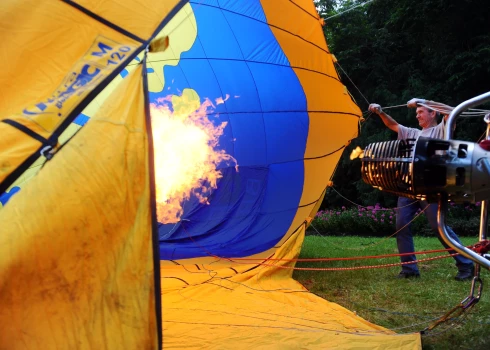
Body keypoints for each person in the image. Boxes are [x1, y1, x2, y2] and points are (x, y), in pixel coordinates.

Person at [368, 98, 474, 281]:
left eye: (421, 111)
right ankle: (409, 269)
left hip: (431, 186)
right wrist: (380, 112)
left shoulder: (442, 130)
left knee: (439, 227)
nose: (417, 114)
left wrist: (424, 101)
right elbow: (393, 125)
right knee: (401, 225)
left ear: (433, 113)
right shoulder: (412, 133)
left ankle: (466, 265)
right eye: (417, 112)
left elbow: (453, 110)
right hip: (408, 187)